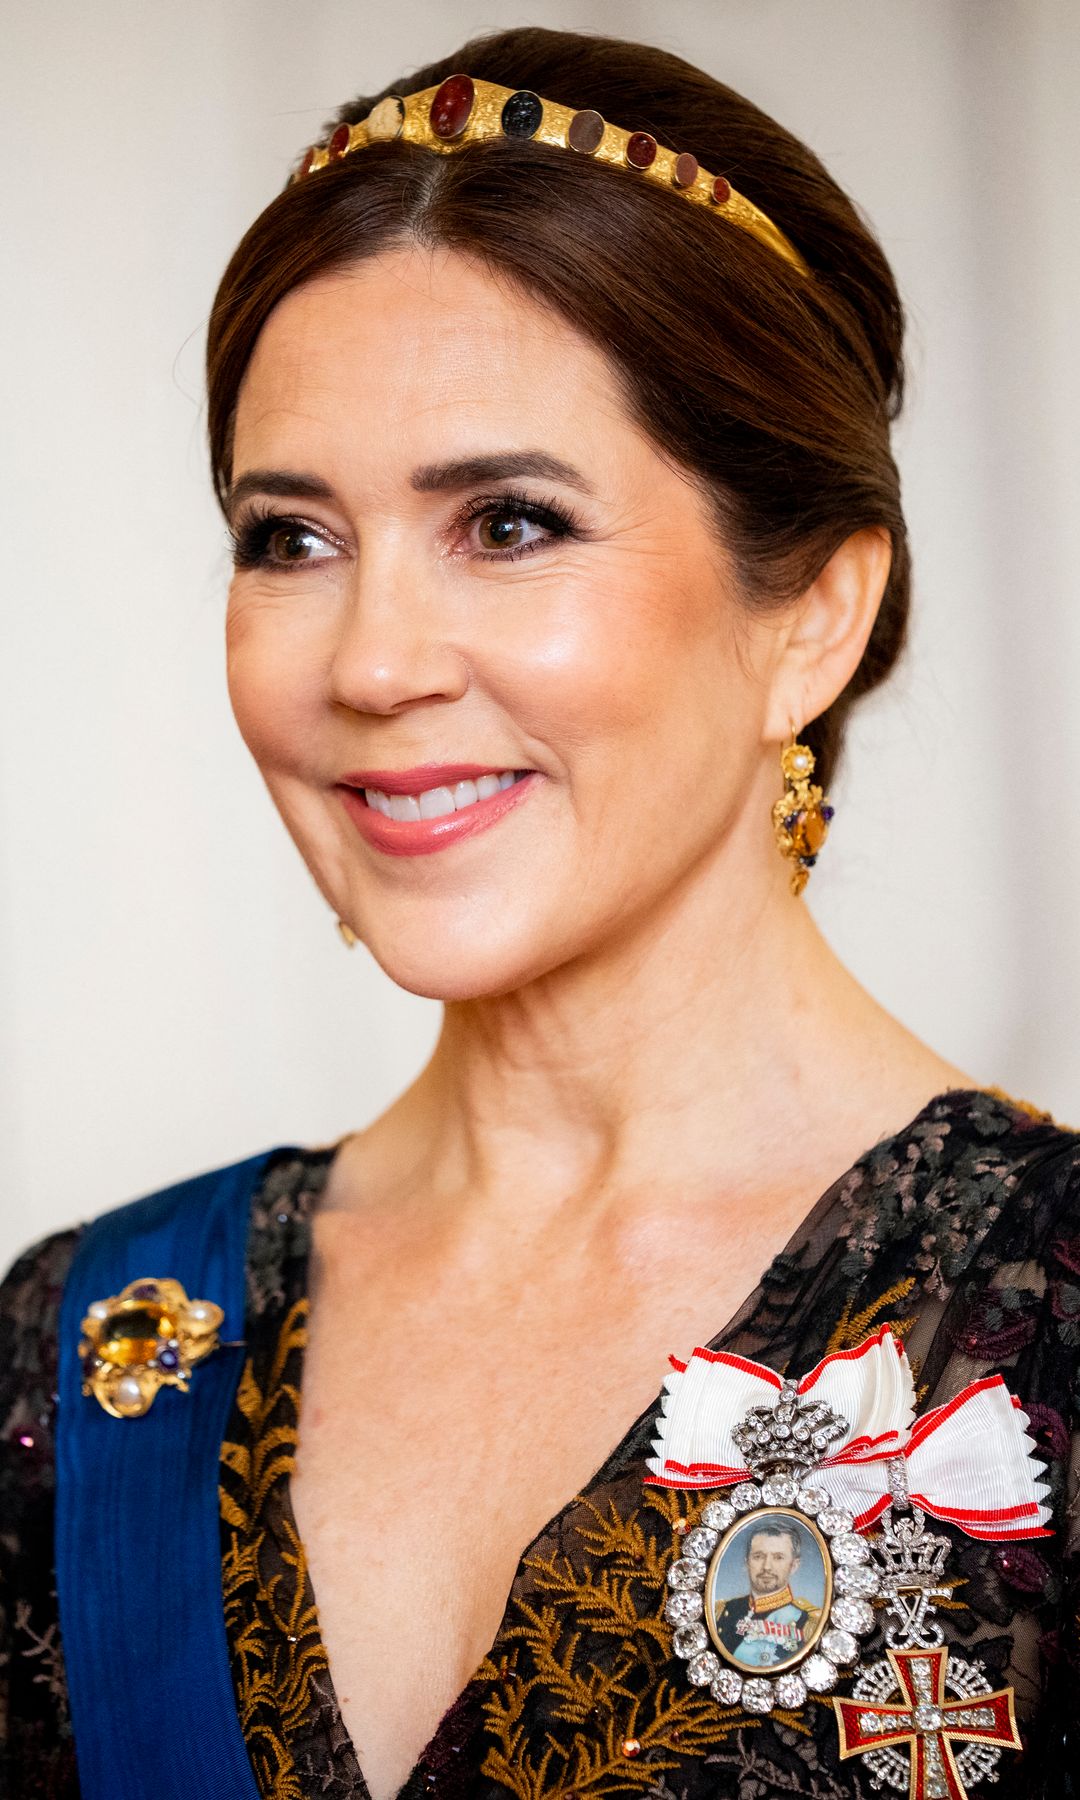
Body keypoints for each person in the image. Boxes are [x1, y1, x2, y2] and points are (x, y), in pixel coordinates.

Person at [1, 22, 1078, 1800]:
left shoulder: (1044, 1321)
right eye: (290, 538)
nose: (370, 662)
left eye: (507, 522)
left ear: (809, 613)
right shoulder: (81, 1344)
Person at [711, 1521, 822, 1669]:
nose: (767, 1567)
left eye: (778, 1557)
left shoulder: (807, 1621)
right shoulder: (722, 1609)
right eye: (758, 1556)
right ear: (747, 1562)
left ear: (794, 1565)